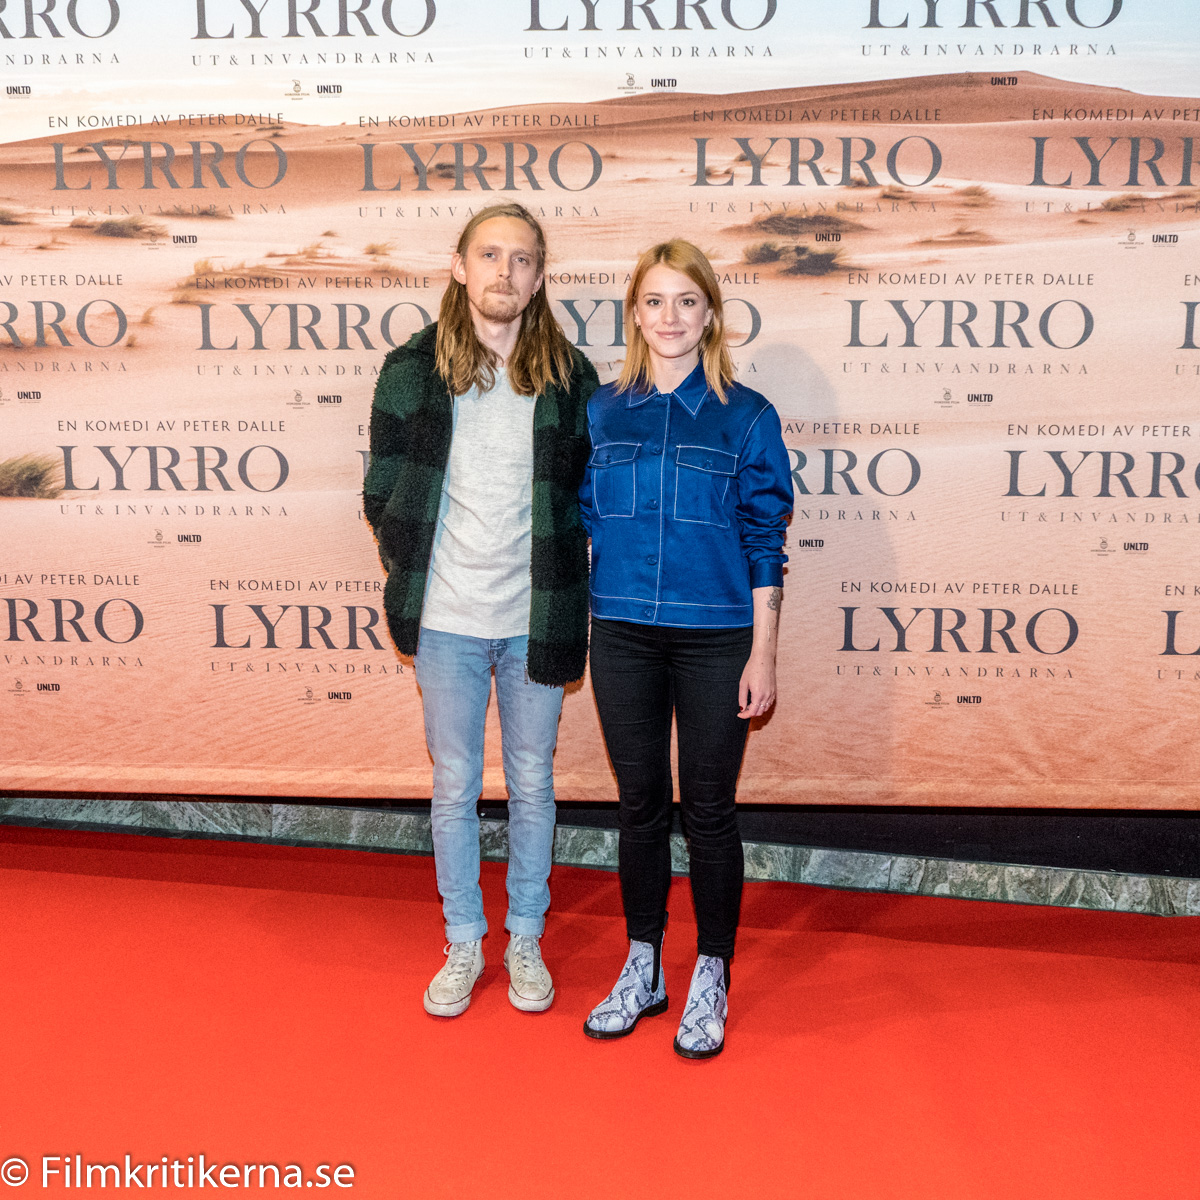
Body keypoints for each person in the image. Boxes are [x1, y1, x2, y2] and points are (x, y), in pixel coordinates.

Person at [363, 203, 598, 1017]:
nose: (506, 271)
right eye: (490, 255)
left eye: (522, 258)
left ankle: (524, 936)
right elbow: (382, 486)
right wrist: (414, 561)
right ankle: (464, 938)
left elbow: (588, 495)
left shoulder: (570, 378)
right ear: (459, 267)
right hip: (446, 621)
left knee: (532, 781)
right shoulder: (410, 369)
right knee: (454, 784)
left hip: (538, 616)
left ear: (539, 276)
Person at [579, 240, 792, 1058]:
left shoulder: (749, 416)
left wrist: (763, 654)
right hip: (622, 634)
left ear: (710, 315)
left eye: (687, 301)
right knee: (638, 805)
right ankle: (643, 965)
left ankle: (712, 971)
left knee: (708, 811)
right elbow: (584, 521)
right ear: (635, 314)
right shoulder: (602, 413)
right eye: (654, 301)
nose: (670, 317)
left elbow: (765, 540)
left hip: (717, 640)